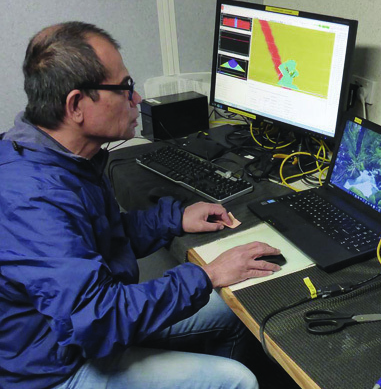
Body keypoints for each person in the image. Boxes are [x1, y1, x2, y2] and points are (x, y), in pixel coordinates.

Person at [0, 22, 285, 388]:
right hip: (54, 366)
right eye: (124, 89)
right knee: (236, 380)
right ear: (76, 105)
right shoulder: (31, 199)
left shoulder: (63, 157)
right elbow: (98, 319)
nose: (136, 100)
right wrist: (208, 274)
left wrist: (175, 218)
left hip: (79, 327)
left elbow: (100, 240)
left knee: (233, 311)